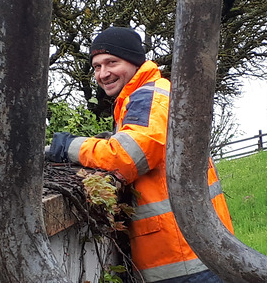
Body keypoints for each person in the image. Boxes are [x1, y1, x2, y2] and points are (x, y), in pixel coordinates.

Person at [47, 27, 234, 282]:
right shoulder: (143, 97)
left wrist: (68, 146)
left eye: (112, 62)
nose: (103, 73)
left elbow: (125, 157)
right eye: (97, 66)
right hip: (190, 253)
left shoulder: (150, 98)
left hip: (185, 261)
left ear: (135, 62)